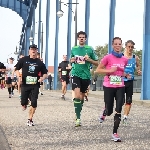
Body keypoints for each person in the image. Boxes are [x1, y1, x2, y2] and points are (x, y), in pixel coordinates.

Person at [95, 37, 128, 142]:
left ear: (121, 45)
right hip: (109, 85)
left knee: (119, 109)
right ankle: (105, 112)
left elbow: (121, 72)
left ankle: (115, 133)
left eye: (120, 44)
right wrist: (109, 70)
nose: (118, 46)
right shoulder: (107, 57)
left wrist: (125, 74)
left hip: (120, 85)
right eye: (116, 44)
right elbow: (97, 70)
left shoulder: (124, 59)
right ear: (112, 45)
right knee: (109, 110)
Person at [70, 31, 98, 126]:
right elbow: (71, 59)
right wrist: (72, 60)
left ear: (85, 39)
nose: (81, 39)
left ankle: (78, 113)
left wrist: (89, 60)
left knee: (81, 97)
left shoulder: (89, 49)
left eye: (83, 37)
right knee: (77, 95)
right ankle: (78, 118)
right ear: (78, 39)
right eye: (80, 37)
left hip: (85, 75)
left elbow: (97, 63)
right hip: (75, 74)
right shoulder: (74, 49)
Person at [15, 44, 48, 126]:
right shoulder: (23, 59)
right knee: (23, 102)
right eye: (32, 49)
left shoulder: (39, 62)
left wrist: (42, 78)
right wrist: (19, 76)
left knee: (34, 102)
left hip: (35, 85)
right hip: (25, 84)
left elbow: (45, 73)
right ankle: (24, 103)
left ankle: (30, 119)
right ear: (29, 51)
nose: (33, 51)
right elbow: (16, 69)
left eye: (35, 49)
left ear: (37, 51)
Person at [122, 40, 141, 124]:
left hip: (130, 81)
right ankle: (118, 113)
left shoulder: (135, 57)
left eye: (132, 47)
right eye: (128, 46)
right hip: (121, 81)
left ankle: (125, 117)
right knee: (120, 100)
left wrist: (138, 70)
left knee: (129, 100)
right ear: (125, 47)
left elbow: (138, 65)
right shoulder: (121, 56)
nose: (130, 48)